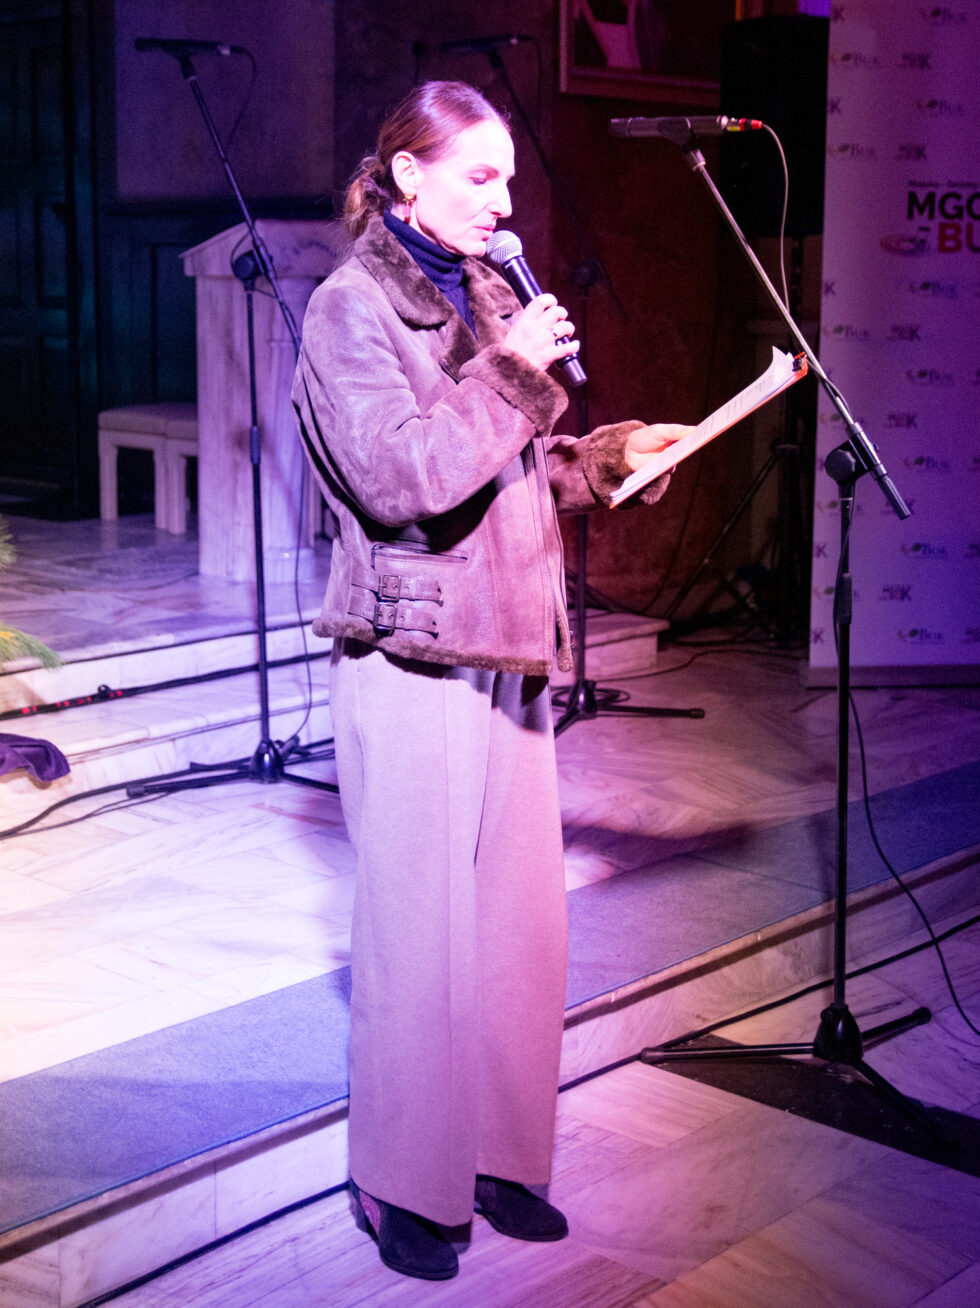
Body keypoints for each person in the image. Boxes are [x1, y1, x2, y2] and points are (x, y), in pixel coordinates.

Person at [291, 80, 688, 1282]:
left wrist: (606, 461)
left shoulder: (488, 291)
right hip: (414, 651)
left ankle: (504, 1157)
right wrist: (512, 374)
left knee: (520, 928)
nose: (503, 202)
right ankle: (404, 1184)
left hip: (512, 643)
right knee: (418, 935)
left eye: (507, 177)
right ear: (407, 175)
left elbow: (511, 470)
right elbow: (400, 479)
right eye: (478, 175)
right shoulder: (348, 309)